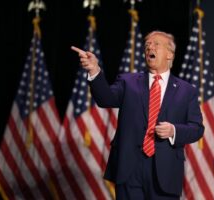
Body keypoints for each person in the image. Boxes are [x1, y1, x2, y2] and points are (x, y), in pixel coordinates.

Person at [71, 31, 204, 199]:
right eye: (147, 44)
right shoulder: (128, 82)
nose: (149, 47)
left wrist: (174, 131)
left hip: (165, 171)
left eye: (156, 44)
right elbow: (105, 99)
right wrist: (95, 71)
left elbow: (197, 128)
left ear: (170, 54)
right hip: (129, 168)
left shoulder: (187, 91)